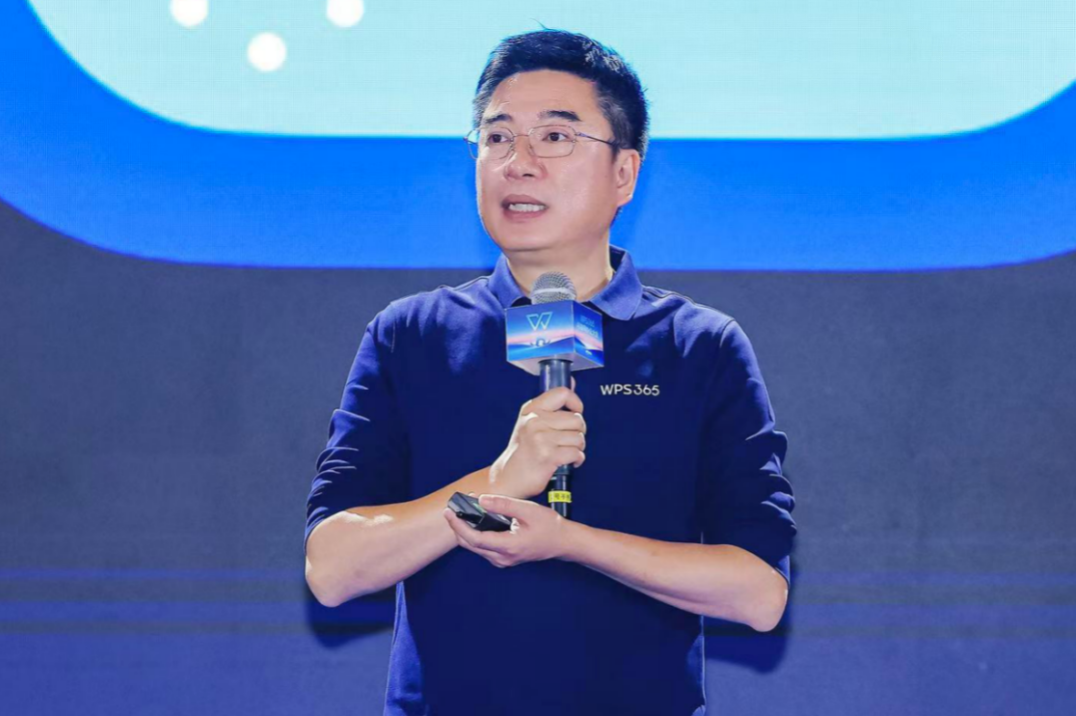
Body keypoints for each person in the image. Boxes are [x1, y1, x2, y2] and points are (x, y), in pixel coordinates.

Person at [304, 29, 796, 716]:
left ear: (624, 173)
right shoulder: (411, 335)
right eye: (497, 137)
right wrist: (497, 483)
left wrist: (572, 544)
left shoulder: (698, 346)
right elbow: (331, 568)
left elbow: (760, 593)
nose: (519, 163)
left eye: (556, 137)